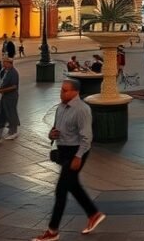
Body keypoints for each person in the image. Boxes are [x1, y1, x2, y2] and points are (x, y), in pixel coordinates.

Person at [31, 80, 106, 241]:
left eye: (65, 91)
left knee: (61, 190)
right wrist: (51, 135)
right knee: (72, 185)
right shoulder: (60, 107)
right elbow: (55, 129)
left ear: (75, 92)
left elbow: (87, 137)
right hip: (64, 151)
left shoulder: (82, 110)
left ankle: (52, 231)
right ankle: (94, 214)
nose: (61, 93)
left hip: (76, 151)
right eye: (61, 90)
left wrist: (78, 156)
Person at [0, 56, 20, 141]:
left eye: (5, 63)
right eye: (3, 63)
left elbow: (14, 86)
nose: (3, 64)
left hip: (11, 97)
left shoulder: (14, 72)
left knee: (11, 113)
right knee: (0, 113)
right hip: (5, 96)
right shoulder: (7, 71)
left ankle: (14, 132)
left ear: (10, 63)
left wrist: (1, 90)